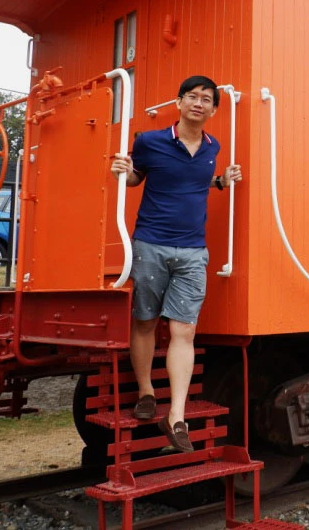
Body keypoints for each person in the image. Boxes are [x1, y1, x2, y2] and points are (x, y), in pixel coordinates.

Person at [110, 75, 242, 453]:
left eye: (206, 99)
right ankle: (146, 392)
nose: (199, 104)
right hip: (151, 244)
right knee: (146, 321)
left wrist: (221, 181)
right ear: (179, 101)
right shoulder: (149, 141)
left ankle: (177, 416)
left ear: (214, 109)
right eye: (192, 97)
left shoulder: (212, 146)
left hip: (193, 251)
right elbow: (136, 179)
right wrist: (124, 169)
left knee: (184, 331)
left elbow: (196, 184)